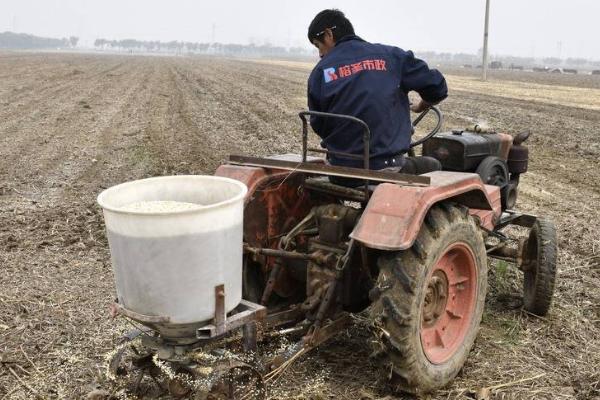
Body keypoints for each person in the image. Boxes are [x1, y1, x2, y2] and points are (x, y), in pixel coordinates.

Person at [307, 9, 447, 181]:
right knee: (434, 165)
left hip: (340, 172)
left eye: (318, 46)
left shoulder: (320, 72)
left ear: (328, 34)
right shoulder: (392, 57)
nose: (320, 54)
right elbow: (438, 86)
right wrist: (422, 105)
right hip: (387, 168)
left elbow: (319, 124)